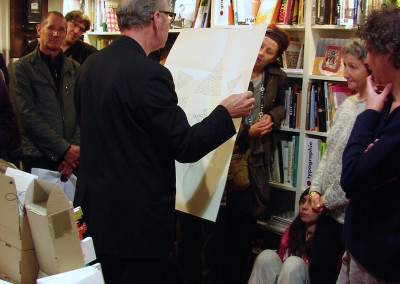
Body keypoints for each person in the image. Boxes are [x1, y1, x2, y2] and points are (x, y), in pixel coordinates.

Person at [73, 0, 255, 283]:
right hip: (135, 222)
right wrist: (225, 113)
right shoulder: (150, 73)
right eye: (170, 17)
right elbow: (185, 145)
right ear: (156, 18)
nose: (170, 25)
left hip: (96, 211)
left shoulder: (92, 63)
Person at [224, 24, 289, 284]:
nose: (261, 53)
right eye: (260, 45)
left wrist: (272, 118)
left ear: (275, 57)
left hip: (257, 159)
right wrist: (246, 133)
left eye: (268, 50)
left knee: (245, 225)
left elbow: (283, 106)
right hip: (227, 154)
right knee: (223, 227)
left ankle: (238, 274)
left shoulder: (277, 77)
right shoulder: (232, 71)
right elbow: (216, 115)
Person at [339, 7, 400, 283]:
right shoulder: (385, 100)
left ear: (386, 54)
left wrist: (368, 113)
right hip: (358, 247)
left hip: (380, 261)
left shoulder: (383, 111)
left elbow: (351, 176)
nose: (368, 62)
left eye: (369, 53)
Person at [307, 39, 369, 284]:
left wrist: (328, 200)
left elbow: (360, 166)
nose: (346, 73)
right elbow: (329, 153)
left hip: (351, 215)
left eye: (353, 67)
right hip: (327, 213)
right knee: (319, 272)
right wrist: (315, 190)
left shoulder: (375, 111)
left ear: (370, 67)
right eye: (345, 65)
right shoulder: (348, 104)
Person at [9, 11, 80, 180]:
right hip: (38, 157)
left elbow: (82, 111)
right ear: (39, 29)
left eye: (61, 29)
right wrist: (64, 150)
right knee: (39, 206)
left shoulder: (74, 68)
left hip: (71, 161)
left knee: (71, 207)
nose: (56, 34)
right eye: (51, 28)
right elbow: (28, 117)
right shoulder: (22, 68)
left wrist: (74, 151)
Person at [248, 188, 318, 284]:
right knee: (267, 256)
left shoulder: (327, 239)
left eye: (310, 203)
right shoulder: (293, 231)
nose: (304, 207)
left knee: (294, 264)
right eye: (302, 202)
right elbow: (280, 261)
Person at [21, 10, 97, 65]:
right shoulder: (34, 46)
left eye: (81, 29)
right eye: (74, 25)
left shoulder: (87, 51)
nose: (77, 31)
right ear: (64, 23)